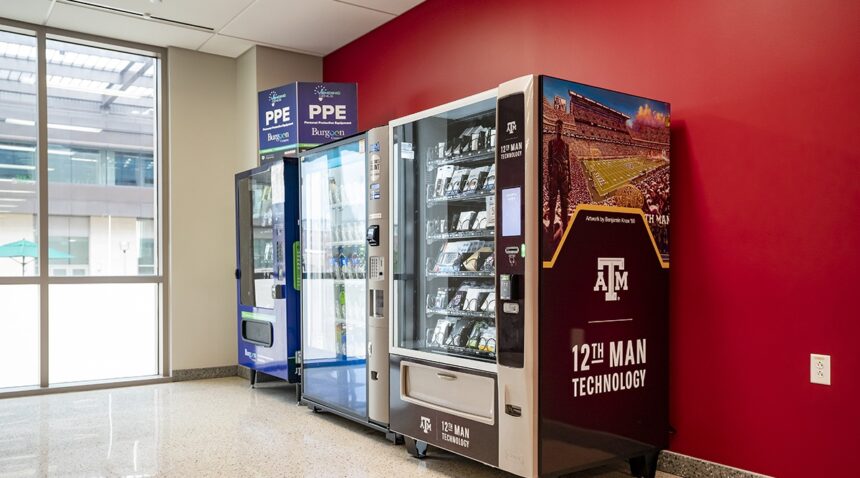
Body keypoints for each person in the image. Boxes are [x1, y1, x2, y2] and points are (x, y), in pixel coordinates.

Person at [546, 119, 571, 244]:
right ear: (555, 128)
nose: (559, 128)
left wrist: (570, 179)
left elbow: (569, 163)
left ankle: (565, 228)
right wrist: (548, 177)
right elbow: (549, 160)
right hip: (554, 174)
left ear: (563, 128)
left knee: (565, 202)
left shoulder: (566, 145)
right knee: (552, 201)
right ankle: (551, 226)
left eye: (561, 126)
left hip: (564, 175)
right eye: (557, 126)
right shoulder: (550, 143)